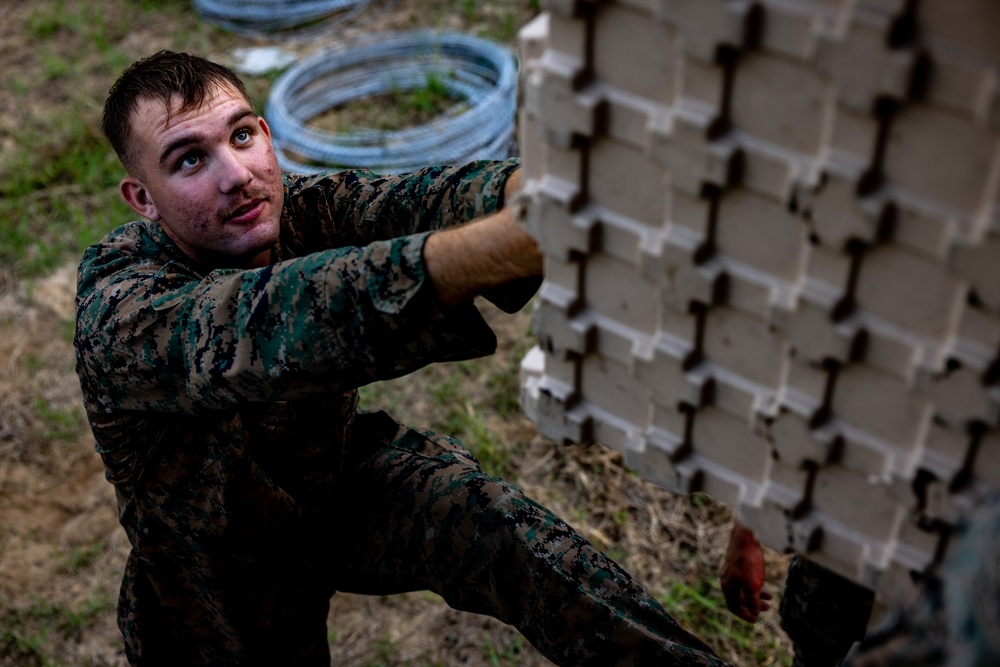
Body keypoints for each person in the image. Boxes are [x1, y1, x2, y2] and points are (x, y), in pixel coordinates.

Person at [75, 50, 732, 666]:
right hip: (217, 576)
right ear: (143, 198)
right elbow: (283, 316)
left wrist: (551, 197)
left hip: (334, 486)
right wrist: (512, 243)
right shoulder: (122, 305)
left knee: (500, 531)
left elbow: (423, 199)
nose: (236, 175)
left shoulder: (294, 209)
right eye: (189, 160)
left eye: (242, 136)